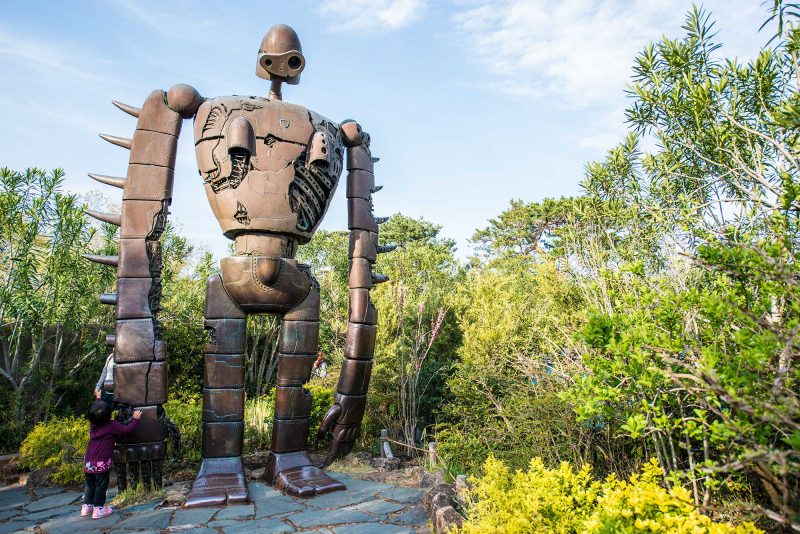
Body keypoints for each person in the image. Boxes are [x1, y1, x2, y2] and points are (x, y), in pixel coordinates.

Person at [81, 399, 141, 519]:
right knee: (101, 486)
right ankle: (98, 509)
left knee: (90, 485)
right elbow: (127, 430)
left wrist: (97, 398)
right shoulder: (111, 426)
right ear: (108, 415)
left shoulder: (93, 425)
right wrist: (135, 419)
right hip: (101, 464)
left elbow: (97, 410)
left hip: (88, 463)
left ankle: (86, 507)